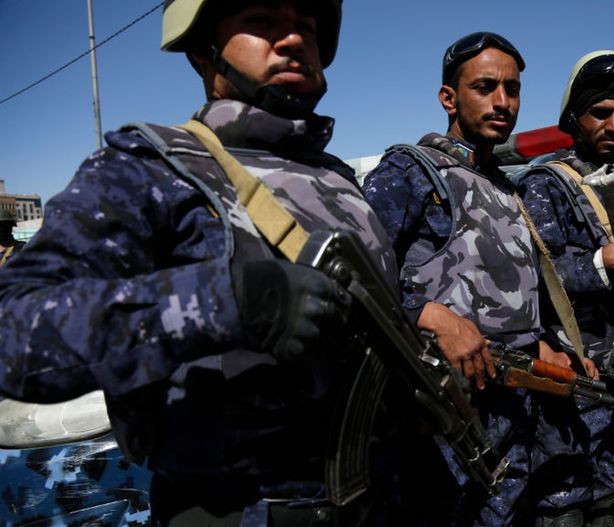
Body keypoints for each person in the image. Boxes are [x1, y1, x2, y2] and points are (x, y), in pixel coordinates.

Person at [0, 1, 441, 525]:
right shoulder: (148, 168)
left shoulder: (338, 179)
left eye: (306, 25)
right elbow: (14, 331)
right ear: (202, 51)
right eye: (262, 21)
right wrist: (227, 301)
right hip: (240, 511)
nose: (294, 39)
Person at [362, 32, 592, 526]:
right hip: (437, 416)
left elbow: (513, 293)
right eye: (485, 87)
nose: (502, 102)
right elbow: (353, 276)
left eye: (512, 89)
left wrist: (543, 344)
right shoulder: (411, 172)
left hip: (511, 408)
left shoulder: (506, 188)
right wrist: (427, 313)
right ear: (449, 98)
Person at [512, 50, 614, 526]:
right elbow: (530, 273)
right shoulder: (546, 184)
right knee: (563, 504)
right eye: (601, 112)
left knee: (610, 498)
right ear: (575, 117)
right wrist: (604, 262)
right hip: (569, 377)